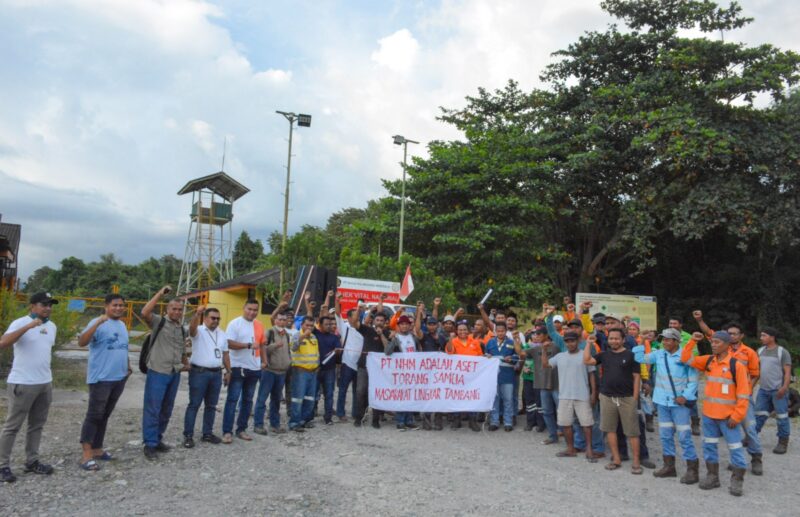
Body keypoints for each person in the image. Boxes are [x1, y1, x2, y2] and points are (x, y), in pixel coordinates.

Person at [693, 312, 764, 474]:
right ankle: (734, 463)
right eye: (729, 333)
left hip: (741, 398)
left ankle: (756, 458)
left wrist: (748, 389)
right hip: (724, 401)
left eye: (734, 333)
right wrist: (699, 320)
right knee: (728, 436)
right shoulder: (721, 349)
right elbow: (708, 332)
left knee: (750, 430)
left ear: (741, 335)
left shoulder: (749, 352)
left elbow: (755, 373)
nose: (731, 336)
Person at [681, 330, 750, 496]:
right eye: (712, 342)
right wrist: (692, 341)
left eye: (717, 342)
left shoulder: (737, 366)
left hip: (729, 418)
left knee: (735, 448)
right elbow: (685, 359)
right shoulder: (709, 361)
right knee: (709, 446)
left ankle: (737, 481)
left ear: (727, 345)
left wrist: (737, 416)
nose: (713, 344)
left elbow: (743, 394)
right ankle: (713, 477)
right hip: (709, 415)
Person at [0, 292, 58, 482]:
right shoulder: (20, 322)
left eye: (50, 305)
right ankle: (2, 466)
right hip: (23, 382)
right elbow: (3, 343)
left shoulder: (52, 326)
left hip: (44, 383)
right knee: (12, 426)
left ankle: (32, 461)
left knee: (37, 425)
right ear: (33, 306)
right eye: (44, 304)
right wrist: (28, 326)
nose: (48, 308)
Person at [633, 328, 700, 484]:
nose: (665, 342)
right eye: (663, 339)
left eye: (668, 339)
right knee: (665, 435)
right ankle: (669, 467)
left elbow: (694, 379)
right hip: (662, 403)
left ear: (676, 341)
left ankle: (692, 470)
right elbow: (639, 358)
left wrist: (686, 396)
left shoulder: (685, 356)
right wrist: (641, 341)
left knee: (684, 436)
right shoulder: (659, 354)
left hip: (679, 404)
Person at [78, 294, 132, 470]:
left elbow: (123, 347)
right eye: (115, 305)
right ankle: (86, 455)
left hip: (118, 378)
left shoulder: (123, 325)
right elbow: (82, 342)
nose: (118, 308)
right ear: (106, 306)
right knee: (94, 415)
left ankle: (97, 449)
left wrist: (128, 366)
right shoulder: (98, 322)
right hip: (101, 379)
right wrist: (97, 323)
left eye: (121, 305)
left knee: (104, 415)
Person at [545, 306, 604, 456]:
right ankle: (579, 444)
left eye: (577, 327)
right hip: (569, 389)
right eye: (571, 326)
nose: (574, 329)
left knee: (592, 420)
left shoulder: (588, 342)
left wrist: (594, 391)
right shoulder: (565, 342)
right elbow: (551, 331)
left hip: (587, 385)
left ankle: (597, 448)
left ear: (581, 329)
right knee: (576, 420)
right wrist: (549, 315)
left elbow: (594, 369)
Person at [583, 330, 643, 474]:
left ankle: (636, 461)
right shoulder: (604, 355)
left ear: (623, 340)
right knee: (610, 429)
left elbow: (636, 377)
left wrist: (634, 398)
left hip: (627, 398)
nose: (614, 341)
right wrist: (588, 343)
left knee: (632, 432)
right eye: (611, 338)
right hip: (607, 397)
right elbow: (587, 360)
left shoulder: (631, 355)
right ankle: (616, 459)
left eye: (617, 338)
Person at [140, 286, 189, 460]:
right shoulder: (158, 322)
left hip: (174, 373)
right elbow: (145, 312)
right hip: (158, 372)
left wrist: (186, 364)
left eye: (179, 309)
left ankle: (158, 438)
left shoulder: (182, 328)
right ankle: (150, 444)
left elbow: (182, 349)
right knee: (153, 408)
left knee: (166, 409)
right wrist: (160, 293)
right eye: (173, 308)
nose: (177, 312)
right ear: (167, 309)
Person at [541, 330, 598, 463]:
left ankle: (589, 449)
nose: (570, 343)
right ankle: (570, 448)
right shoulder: (560, 356)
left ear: (578, 341)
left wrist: (593, 393)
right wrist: (544, 350)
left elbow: (592, 375)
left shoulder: (585, 355)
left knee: (587, 424)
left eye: (572, 341)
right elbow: (545, 365)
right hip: (564, 395)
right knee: (565, 423)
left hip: (582, 394)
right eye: (567, 341)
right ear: (565, 343)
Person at [182, 306, 229, 448]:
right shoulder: (199, 330)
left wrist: (229, 371)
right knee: (194, 404)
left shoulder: (222, 334)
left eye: (218, 318)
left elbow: (225, 354)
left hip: (216, 373)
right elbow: (191, 330)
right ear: (205, 318)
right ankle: (188, 435)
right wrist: (197, 314)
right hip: (199, 373)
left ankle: (207, 433)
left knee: (211, 405)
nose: (215, 321)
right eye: (212, 318)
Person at [222, 299, 265, 443]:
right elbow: (228, 343)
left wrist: (263, 361)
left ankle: (241, 429)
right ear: (243, 308)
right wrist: (247, 345)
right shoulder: (235, 323)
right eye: (249, 309)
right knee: (232, 400)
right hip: (238, 366)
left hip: (254, 367)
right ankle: (227, 431)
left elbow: (262, 344)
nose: (252, 312)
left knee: (247, 401)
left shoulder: (259, 324)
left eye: (255, 310)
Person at [754, 327, 792, 454]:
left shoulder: (782, 352)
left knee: (781, 417)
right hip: (763, 391)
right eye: (761, 336)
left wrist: (784, 388)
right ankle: (751, 437)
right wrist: (752, 386)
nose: (761, 338)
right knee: (759, 415)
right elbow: (757, 372)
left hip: (778, 391)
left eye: (764, 335)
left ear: (772, 337)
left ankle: (782, 443)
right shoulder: (759, 351)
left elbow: (787, 373)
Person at [253, 312, 291, 434]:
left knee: (276, 400)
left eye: (284, 320)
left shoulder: (287, 335)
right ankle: (258, 425)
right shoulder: (269, 332)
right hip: (269, 371)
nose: (282, 322)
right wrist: (274, 345)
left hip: (282, 372)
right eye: (280, 319)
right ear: (275, 320)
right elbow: (262, 349)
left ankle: (275, 425)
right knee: (262, 399)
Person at [384, 314, 421, 431]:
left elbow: (420, 352)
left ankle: (409, 421)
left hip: (413, 372)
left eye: (406, 324)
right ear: (398, 326)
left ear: (410, 326)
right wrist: (392, 340)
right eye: (402, 324)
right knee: (402, 397)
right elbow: (387, 352)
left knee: (411, 396)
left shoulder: (413, 338)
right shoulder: (396, 338)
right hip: (401, 373)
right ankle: (400, 421)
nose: (404, 326)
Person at [445, 321, 483, 432]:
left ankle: (473, 420)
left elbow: (480, 357)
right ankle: (457, 419)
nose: (462, 332)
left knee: (472, 396)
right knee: (457, 396)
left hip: (472, 376)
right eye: (460, 330)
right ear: (456, 331)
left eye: (464, 329)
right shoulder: (454, 341)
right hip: (458, 376)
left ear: (469, 331)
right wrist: (450, 339)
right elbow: (449, 352)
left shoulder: (475, 342)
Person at [525, 329, 559, 444]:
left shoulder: (556, 346)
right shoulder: (536, 348)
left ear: (546, 335)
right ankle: (552, 435)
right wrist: (515, 339)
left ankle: (567, 434)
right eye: (535, 334)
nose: (536, 336)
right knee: (547, 412)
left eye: (539, 334)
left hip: (557, 384)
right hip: (543, 385)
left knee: (561, 411)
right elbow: (521, 352)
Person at [288, 317, 320, 431]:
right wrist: (303, 336)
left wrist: (317, 366)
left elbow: (316, 353)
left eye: (311, 326)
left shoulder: (314, 337)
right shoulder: (297, 335)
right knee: (298, 398)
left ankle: (304, 420)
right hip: (300, 371)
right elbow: (293, 347)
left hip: (313, 372)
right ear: (302, 325)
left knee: (310, 398)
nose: (309, 328)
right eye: (307, 325)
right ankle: (294, 423)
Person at [485, 322, 517, 431]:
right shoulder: (489, 343)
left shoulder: (511, 343)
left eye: (502, 331)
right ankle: (494, 421)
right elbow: (484, 355)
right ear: (495, 332)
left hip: (507, 375)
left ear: (506, 331)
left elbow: (517, 356)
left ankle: (508, 422)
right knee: (495, 399)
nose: (500, 333)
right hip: (493, 377)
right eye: (498, 331)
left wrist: (512, 357)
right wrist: (487, 356)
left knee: (508, 399)